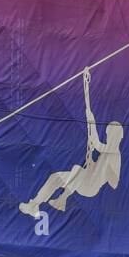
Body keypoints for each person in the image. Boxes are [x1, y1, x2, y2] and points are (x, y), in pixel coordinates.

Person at [18, 69, 123, 219]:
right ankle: (34, 205)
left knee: (77, 170)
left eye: (111, 134)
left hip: (90, 187)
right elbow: (92, 126)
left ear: (117, 137)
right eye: (108, 133)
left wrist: (106, 171)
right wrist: (86, 88)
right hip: (86, 179)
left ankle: (62, 200)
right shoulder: (106, 150)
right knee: (56, 177)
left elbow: (114, 183)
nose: (108, 136)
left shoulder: (114, 155)